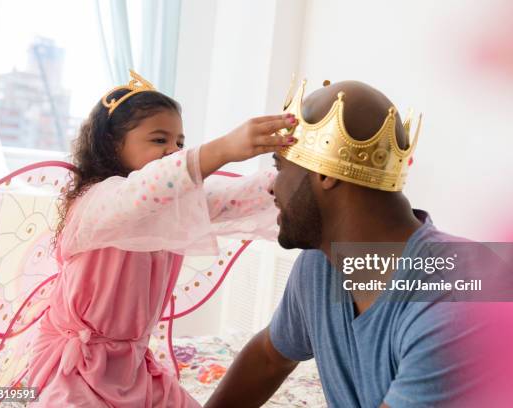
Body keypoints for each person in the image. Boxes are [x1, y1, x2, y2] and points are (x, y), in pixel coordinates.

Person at [27, 70, 296, 407]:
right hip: (74, 372)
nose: (173, 150)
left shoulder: (173, 205)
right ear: (113, 144)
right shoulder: (96, 203)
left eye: (179, 143)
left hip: (132, 369)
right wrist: (225, 148)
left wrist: (293, 175)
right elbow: (144, 191)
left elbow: (235, 196)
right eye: (159, 140)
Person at [206, 80, 480, 407]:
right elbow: (268, 357)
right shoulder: (322, 264)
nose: (271, 188)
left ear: (325, 174)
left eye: (280, 167)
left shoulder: (454, 301)